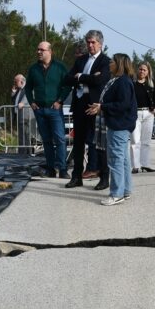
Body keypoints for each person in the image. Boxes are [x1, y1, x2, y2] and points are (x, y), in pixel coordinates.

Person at [87, 53, 136, 206]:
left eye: (112, 62)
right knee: (123, 160)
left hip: (119, 125)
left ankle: (116, 194)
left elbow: (123, 104)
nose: (110, 64)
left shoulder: (122, 82)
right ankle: (125, 190)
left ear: (120, 64)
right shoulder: (118, 80)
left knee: (116, 160)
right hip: (119, 124)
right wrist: (101, 107)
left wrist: (103, 107)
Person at [64, 30, 111, 189]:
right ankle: (77, 176)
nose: (90, 45)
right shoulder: (81, 59)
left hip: (95, 106)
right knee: (78, 142)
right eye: (88, 42)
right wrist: (82, 77)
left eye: (93, 42)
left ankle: (104, 177)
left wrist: (80, 77)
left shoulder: (105, 61)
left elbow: (100, 80)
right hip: (79, 103)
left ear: (100, 44)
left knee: (98, 142)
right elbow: (67, 78)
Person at [25, 42, 70, 178]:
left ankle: (62, 169)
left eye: (42, 50)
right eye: (37, 49)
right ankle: (51, 168)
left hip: (54, 110)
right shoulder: (33, 69)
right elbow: (28, 88)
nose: (39, 52)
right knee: (46, 140)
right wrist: (31, 102)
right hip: (40, 110)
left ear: (50, 51)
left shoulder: (60, 67)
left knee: (60, 139)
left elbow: (67, 86)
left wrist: (60, 101)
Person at [131, 62, 155, 173]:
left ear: (148, 72)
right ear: (137, 70)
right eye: (140, 69)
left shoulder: (151, 84)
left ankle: (145, 164)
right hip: (135, 114)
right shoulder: (132, 84)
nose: (142, 71)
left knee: (146, 141)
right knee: (135, 140)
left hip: (148, 114)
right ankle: (135, 166)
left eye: (144, 70)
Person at [10, 73, 34, 153]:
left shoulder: (27, 88)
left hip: (26, 115)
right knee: (22, 135)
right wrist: (13, 92)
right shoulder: (19, 90)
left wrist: (23, 103)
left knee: (25, 135)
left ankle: (25, 153)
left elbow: (27, 97)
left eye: (16, 81)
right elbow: (14, 100)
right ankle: (23, 152)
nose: (15, 83)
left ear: (22, 81)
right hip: (20, 114)